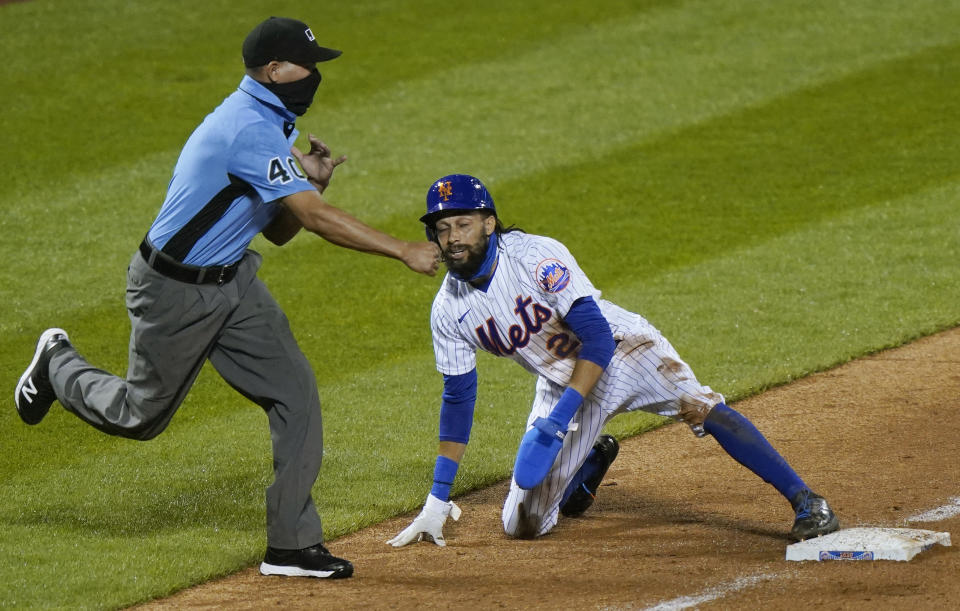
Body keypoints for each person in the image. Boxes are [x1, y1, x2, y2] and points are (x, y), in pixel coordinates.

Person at [14, 16, 440, 580]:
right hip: (173, 289)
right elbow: (310, 221)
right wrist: (402, 249)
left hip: (233, 284)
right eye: (306, 66)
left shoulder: (270, 122)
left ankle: (289, 545)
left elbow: (279, 229)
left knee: (295, 394)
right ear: (273, 70)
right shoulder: (247, 128)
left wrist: (308, 181)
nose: (314, 76)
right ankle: (57, 365)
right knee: (139, 416)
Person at [387, 173, 839, 547]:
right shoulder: (448, 310)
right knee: (521, 525)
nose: (452, 239)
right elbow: (458, 399)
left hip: (624, 351)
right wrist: (437, 499)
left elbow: (597, 339)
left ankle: (806, 500)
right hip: (562, 383)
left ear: (489, 223)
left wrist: (558, 421)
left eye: (462, 224)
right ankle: (587, 469)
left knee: (700, 406)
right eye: (442, 230)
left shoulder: (536, 256)